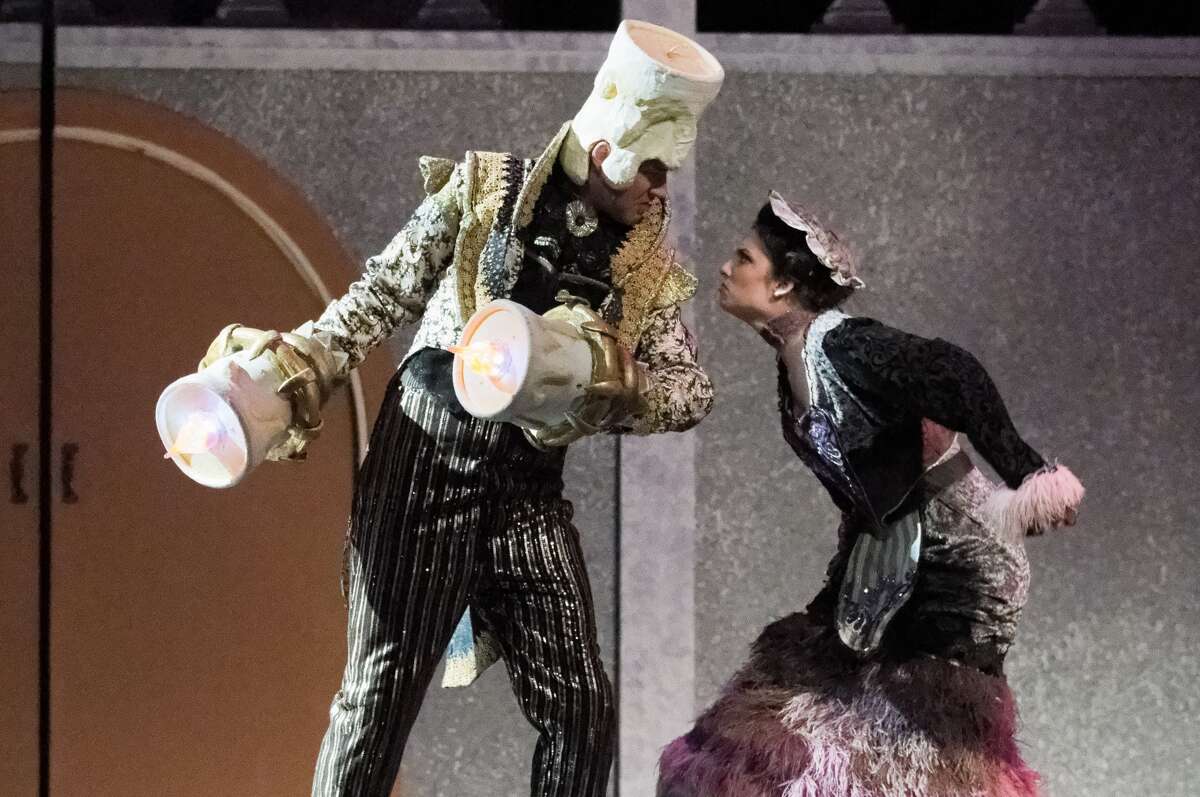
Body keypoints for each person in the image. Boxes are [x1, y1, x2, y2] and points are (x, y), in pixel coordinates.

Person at [198, 20, 724, 797]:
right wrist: (296, 363)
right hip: (424, 467)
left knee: (582, 706)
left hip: (526, 492)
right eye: (652, 165)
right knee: (377, 693)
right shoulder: (484, 192)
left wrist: (622, 385)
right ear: (611, 144)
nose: (661, 187)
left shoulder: (644, 261)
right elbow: (380, 296)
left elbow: (692, 391)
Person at [657, 192, 1084, 797]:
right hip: (886, 554)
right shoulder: (794, 358)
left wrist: (1028, 473)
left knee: (910, 751)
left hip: (959, 568)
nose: (726, 269)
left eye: (743, 258)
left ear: (781, 287)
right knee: (773, 714)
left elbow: (954, 373)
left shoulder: (845, 346)